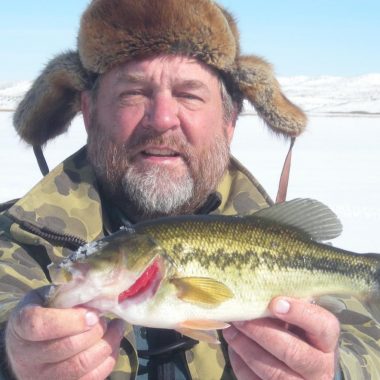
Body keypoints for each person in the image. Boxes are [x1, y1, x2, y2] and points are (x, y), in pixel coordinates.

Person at [0, 1, 379, 379]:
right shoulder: (18, 240)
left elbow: (370, 338)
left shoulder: (273, 236)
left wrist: (336, 370)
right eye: (133, 92)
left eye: (189, 94)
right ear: (89, 112)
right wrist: (11, 356)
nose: (163, 119)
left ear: (229, 120)